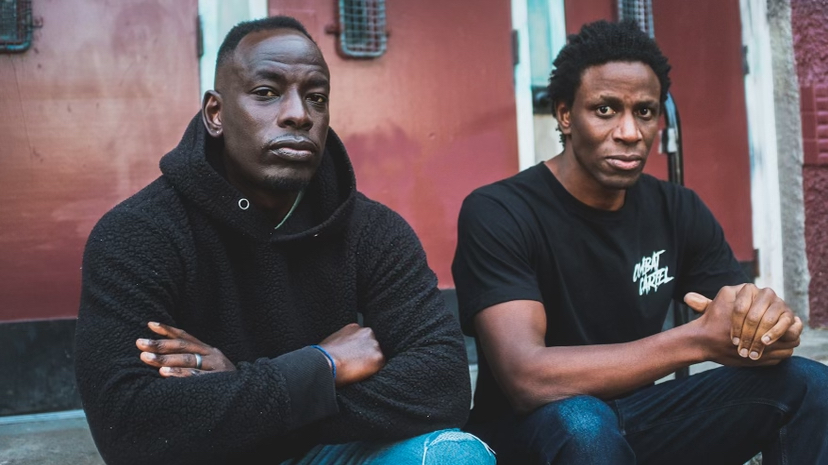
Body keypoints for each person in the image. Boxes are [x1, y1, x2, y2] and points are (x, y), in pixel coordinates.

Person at [74, 16, 494, 465]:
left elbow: (442, 385)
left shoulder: (373, 231)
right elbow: (131, 427)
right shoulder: (139, 232)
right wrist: (320, 367)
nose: (299, 114)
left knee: (453, 456)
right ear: (215, 114)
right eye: (266, 93)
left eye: (316, 98)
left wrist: (247, 388)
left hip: (322, 453)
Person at [452, 19, 828, 465]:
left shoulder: (678, 209)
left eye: (645, 112)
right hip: (531, 434)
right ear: (565, 115)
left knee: (809, 383)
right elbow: (526, 377)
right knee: (583, 422)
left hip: (639, 418)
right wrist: (698, 341)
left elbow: (742, 320)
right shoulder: (499, 211)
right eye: (606, 109)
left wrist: (771, 325)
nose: (630, 132)